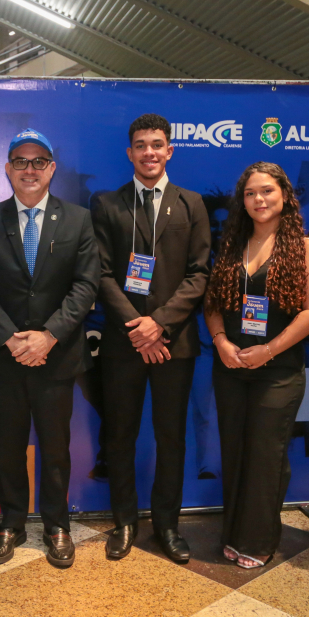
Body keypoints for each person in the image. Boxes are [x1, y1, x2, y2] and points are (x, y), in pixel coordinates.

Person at [0, 128, 99, 568]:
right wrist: (10, 338)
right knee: (9, 447)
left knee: (55, 448)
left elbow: (85, 285)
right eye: (20, 161)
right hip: (4, 357)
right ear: (7, 169)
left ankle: (57, 525)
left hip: (56, 357)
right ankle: (11, 523)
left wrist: (48, 336)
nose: (30, 169)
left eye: (39, 161)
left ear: (52, 169)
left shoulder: (78, 219)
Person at [90, 113, 211, 563]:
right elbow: (101, 273)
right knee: (119, 436)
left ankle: (167, 525)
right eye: (141, 145)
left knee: (171, 438)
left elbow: (199, 274)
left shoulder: (192, 204)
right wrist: (138, 328)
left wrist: (158, 324)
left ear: (169, 150)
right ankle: (124, 522)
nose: (149, 152)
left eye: (157, 144)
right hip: (123, 343)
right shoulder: (107, 204)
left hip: (173, 344)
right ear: (130, 153)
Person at [204, 162, 309, 569]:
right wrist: (221, 341)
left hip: (278, 371)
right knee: (235, 452)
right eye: (251, 193)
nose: (259, 199)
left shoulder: (305, 248)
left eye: (267, 191)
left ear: (285, 196)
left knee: (266, 456)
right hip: (231, 367)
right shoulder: (231, 245)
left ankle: (258, 542)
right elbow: (213, 302)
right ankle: (234, 534)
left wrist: (269, 350)